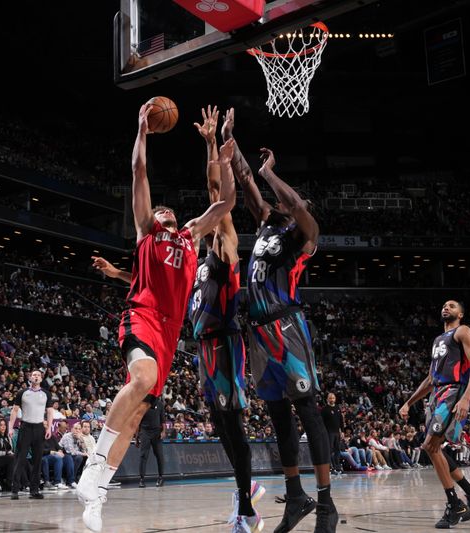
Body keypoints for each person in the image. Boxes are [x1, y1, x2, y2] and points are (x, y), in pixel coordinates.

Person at [77, 103, 237, 532]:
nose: (164, 210)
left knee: (136, 417)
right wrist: (142, 129)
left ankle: (99, 494)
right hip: (142, 316)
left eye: (169, 209)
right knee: (142, 379)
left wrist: (214, 148)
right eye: (160, 209)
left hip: (170, 331)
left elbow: (226, 201)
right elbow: (139, 173)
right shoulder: (147, 229)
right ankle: (93, 464)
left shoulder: (190, 236)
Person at [222, 108, 335, 533]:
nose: (278, 205)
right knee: (279, 417)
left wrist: (271, 174)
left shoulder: (301, 236)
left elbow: (294, 204)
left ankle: (326, 505)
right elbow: (248, 187)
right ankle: (297, 495)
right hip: (259, 335)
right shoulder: (268, 226)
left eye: (289, 202)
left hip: (288, 329)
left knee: (307, 411)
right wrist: (231, 146)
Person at [189, 105, 265, 532]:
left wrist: (214, 143)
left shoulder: (225, 247)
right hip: (204, 349)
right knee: (220, 424)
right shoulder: (199, 261)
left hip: (225, 343)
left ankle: (246, 510)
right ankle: (246, 487)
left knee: (233, 426)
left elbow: (216, 190)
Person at [400, 300, 470, 529]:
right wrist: (408, 403)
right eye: (443, 305)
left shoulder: (463, 331)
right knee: (434, 448)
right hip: (438, 394)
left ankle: (455, 504)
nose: (446, 307)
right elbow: (431, 379)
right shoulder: (437, 340)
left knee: (430, 446)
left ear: (460, 313)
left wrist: (466, 397)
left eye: (451, 306)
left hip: (454, 392)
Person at [8, 369, 55, 500]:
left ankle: (34, 490)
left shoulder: (46, 394)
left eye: (38, 375)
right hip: (25, 427)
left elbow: (50, 412)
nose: (36, 377)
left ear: (41, 378)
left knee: (37, 460)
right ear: (30, 377)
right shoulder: (22, 393)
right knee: (20, 459)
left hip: (39, 428)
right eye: (34, 375)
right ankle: (15, 490)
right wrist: (10, 428)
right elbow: (14, 410)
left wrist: (49, 428)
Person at [136, 397, 165, 489]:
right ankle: (141, 479)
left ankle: (161, 477)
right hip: (145, 431)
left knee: (159, 455)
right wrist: (137, 436)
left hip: (156, 432)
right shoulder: (142, 404)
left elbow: (163, 420)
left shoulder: (160, 404)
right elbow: (138, 421)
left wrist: (163, 432)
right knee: (143, 455)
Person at [321, 393, 344, 475]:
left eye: (333, 398)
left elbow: (341, 421)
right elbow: (321, 423)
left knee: (337, 450)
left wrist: (342, 431)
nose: (332, 400)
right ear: (327, 399)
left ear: (335, 399)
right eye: (330, 398)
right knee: (330, 450)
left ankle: (338, 467)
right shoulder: (324, 409)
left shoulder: (338, 408)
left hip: (337, 432)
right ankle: (331, 467)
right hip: (329, 433)